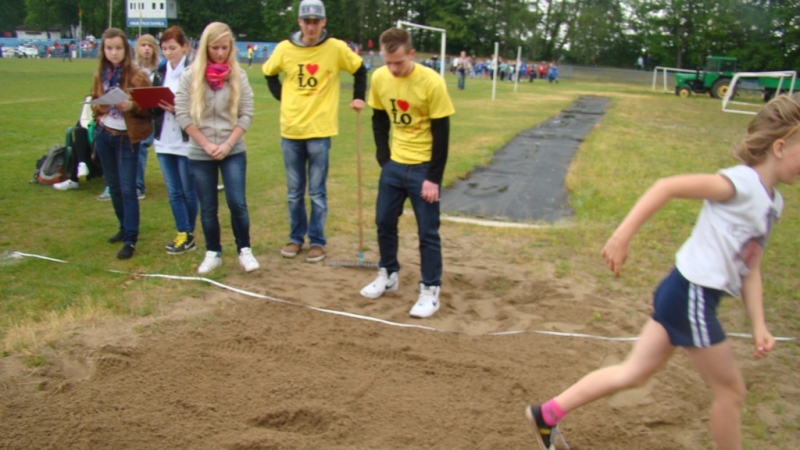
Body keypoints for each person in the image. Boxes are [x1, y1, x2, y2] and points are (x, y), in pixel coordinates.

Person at [525, 93, 800, 450]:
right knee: (731, 391)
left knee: (634, 373)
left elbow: (752, 267)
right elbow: (666, 187)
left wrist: (760, 324)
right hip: (692, 295)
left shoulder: (772, 202)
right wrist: (621, 237)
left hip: (683, 293)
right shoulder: (741, 183)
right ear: (780, 147)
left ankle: (546, 415)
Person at [360, 27, 455, 319]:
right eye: (387, 62)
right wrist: (384, 158)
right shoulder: (379, 77)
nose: (392, 68)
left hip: (424, 168)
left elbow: (442, 132)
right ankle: (388, 273)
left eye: (398, 62)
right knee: (383, 221)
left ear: (411, 54)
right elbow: (378, 118)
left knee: (427, 232)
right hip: (394, 166)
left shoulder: (432, 82)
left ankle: (430, 290)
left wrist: (433, 178)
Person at [262, 0, 367, 263]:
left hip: (320, 130)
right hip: (291, 130)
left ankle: (317, 241)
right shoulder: (284, 49)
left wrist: (358, 97)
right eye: (306, 21)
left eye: (316, 21)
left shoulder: (336, 48)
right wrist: (283, 99)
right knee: (294, 191)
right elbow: (269, 73)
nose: (311, 26)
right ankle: (296, 238)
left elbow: (360, 69)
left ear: (323, 22)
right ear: (299, 22)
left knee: (317, 191)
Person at [175, 21, 259, 274]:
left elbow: (246, 114)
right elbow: (182, 113)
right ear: (205, 48)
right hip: (201, 152)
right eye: (215, 48)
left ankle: (245, 249)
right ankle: (213, 252)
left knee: (237, 203)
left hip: (232, 150)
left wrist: (227, 143)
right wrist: (207, 144)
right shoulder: (190, 76)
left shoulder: (239, 76)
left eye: (224, 48)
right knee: (208, 206)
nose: (220, 53)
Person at [90, 28, 152, 259]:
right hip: (105, 134)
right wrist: (100, 107)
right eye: (109, 48)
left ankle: (130, 239)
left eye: (118, 48)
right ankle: (123, 227)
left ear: (125, 49)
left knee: (128, 189)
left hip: (128, 139)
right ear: (103, 50)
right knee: (113, 186)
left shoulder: (137, 75)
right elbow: (93, 99)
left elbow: (150, 108)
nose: (113, 53)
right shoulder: (101, 74)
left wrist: (132, 106)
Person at [151, 26, 198, 255]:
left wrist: (177, 109)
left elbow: (200, 106)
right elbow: (152, 106)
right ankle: (185, 232)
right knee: (173, 190)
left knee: (188, 190)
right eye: (165, 49)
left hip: (186, 139)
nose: (168, 53)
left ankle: (187, 234)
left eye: (172, 48)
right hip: (163, 139)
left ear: (184, 47)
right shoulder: (160, 72)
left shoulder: (193, 71)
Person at [134, 34, 160, 200]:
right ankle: (137, 186)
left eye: (149, 45)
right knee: (139, 146)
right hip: (139, 115)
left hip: (157, 115)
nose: (146, 48)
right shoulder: (133, 70)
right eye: (143, 45)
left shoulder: (160, 70)